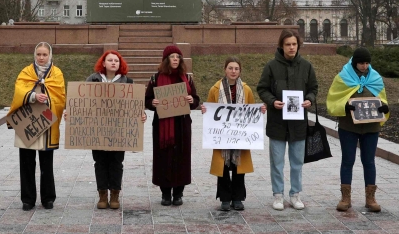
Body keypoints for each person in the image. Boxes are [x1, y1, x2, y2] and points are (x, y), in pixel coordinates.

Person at [69, 50, 144, 210]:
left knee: (117, 162)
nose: (113, 63)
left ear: (120, 64)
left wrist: (140, 115)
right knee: (100, 162)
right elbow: (83, 102)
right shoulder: (92, 80)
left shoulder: (128, 83)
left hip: (119, 130)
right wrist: (72, 112)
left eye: (116, 61)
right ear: (103, 63)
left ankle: (115, 194)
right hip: (97, 129)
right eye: (110, 60)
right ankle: (102, 194)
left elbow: (134, 106)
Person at [257, 30, 318, 211]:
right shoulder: (271, 66)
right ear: (281, 46)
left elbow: (314, 88)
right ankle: (278, 195)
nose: (291, 47)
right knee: (277, 161)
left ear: (298, 45)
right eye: (288, 44)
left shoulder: (306, 66)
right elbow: (262, 88)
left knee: (297, 161)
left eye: (294, 44)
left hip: (298, 123)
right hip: (277, 122)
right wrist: (271, 101)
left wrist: (310, 99)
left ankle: (295, 194)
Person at [326, 48, 389, 213]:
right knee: (348, 160)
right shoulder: (342, 78)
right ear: (355, 62)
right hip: (348, 127)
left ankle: (371, 198)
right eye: (362, 63)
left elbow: (382, 98)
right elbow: (333, 100)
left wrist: (384, 106)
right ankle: (345, 198)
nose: (365, 66)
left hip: (371, 127)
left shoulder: (375, 78)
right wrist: (345, 105)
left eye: (367, 63)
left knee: (369, 161)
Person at [200, 57, 266, 211]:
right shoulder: (215, 89)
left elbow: (251, 109)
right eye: (230, 68)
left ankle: (237, 198)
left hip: (240, 135)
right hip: (221, 135)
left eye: (236, 68)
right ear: (225, 69)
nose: (233, 71)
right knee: (222, 166)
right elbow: (209, 108)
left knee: (238, 167)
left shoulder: (246, 89)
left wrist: (260, 110)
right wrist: (205, 110)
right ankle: (224, 198)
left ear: (240, 71)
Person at [10, 42, 65, 210]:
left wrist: (46, 97)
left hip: (46, 122)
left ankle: (48, 198)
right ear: (35, 55)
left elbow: (61, 96)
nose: (41, 58)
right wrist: (33, 96)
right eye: (38, 54)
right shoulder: (26, 72)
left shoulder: (56, 73)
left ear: (50, 55)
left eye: (44, 55)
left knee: (46, 163)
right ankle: (28, 199)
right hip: (28, 122)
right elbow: (19, 91)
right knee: (26, 162)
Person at [145, 45, 200, 206]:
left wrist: (192, 101)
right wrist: (152, 102)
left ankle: (178, 193)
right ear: (166, 60)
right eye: (172, 56)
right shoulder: (156, 78)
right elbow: (147, 100)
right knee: (164, 157)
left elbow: (195, 99)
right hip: (162, 125)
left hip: (181, 124)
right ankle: (165, 193)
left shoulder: (187, 78)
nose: (175, 59)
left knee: (181, 158)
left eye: (178, 56)